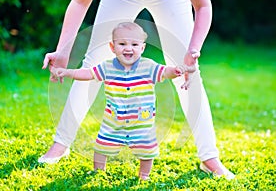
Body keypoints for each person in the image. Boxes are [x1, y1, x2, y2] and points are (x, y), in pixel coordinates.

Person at [39, 0, 235, 179]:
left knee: (187, 72)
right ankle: (61, 144)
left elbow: (203, 5)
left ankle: (209, 157)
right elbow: (80, 1)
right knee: (93, 63)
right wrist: (63, 51)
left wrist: (193, 51)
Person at [49, 22, 195, 180]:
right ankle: (99, 171)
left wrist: (176, 70)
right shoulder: (107, 67)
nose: (128, 48)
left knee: (147, 150)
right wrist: (67, 72)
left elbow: (165, 72)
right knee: (101, 145)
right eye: (122, 44)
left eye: (134, 44)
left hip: (142, 121)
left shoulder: (148, 66)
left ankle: (144, 174)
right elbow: (88, 74)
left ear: (142, 48)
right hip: (113, 120)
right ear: (112, 47)